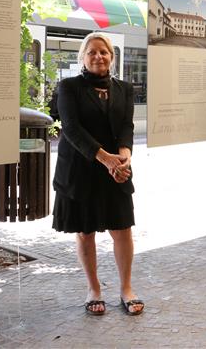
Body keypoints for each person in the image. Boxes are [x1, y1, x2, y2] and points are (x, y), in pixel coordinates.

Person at [52, 32, 144, 316]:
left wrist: (125, 157)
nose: (98, 56)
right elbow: (71, 128)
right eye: (91, 52)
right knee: (85, 230)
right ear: (83, 57)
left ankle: (126, 289)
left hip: (115, 167)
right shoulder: (68, 87)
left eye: (103, 52)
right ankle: (94, 289)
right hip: (80, 168)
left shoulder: (124, 89)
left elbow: (126, 127)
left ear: (111, 57)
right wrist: (108, 160)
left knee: (122, 229)